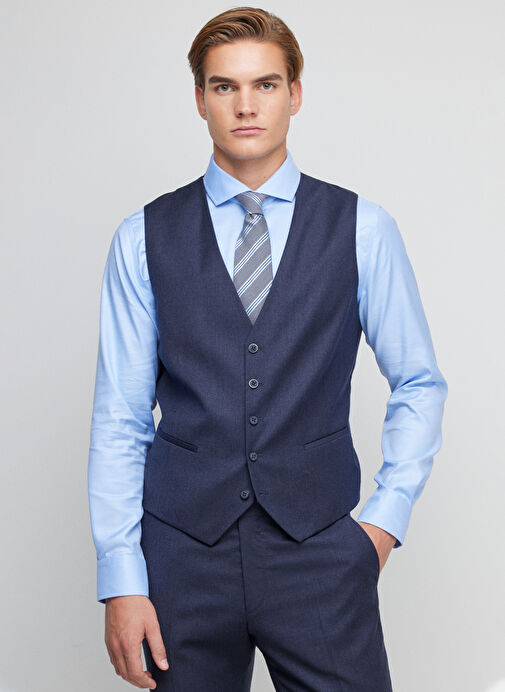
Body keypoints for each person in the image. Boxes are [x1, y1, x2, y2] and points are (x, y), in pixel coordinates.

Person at [87, 6, 448, 690]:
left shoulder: (362, 229)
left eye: (266, 84)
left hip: (319, 550)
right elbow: (120, 418)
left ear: (295, 94)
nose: (245, 106)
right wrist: (122, 578)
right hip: (181, 556)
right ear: (200, 99)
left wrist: (381, 523)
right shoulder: (142, 238)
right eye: (224, 86)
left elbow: (418, 382)